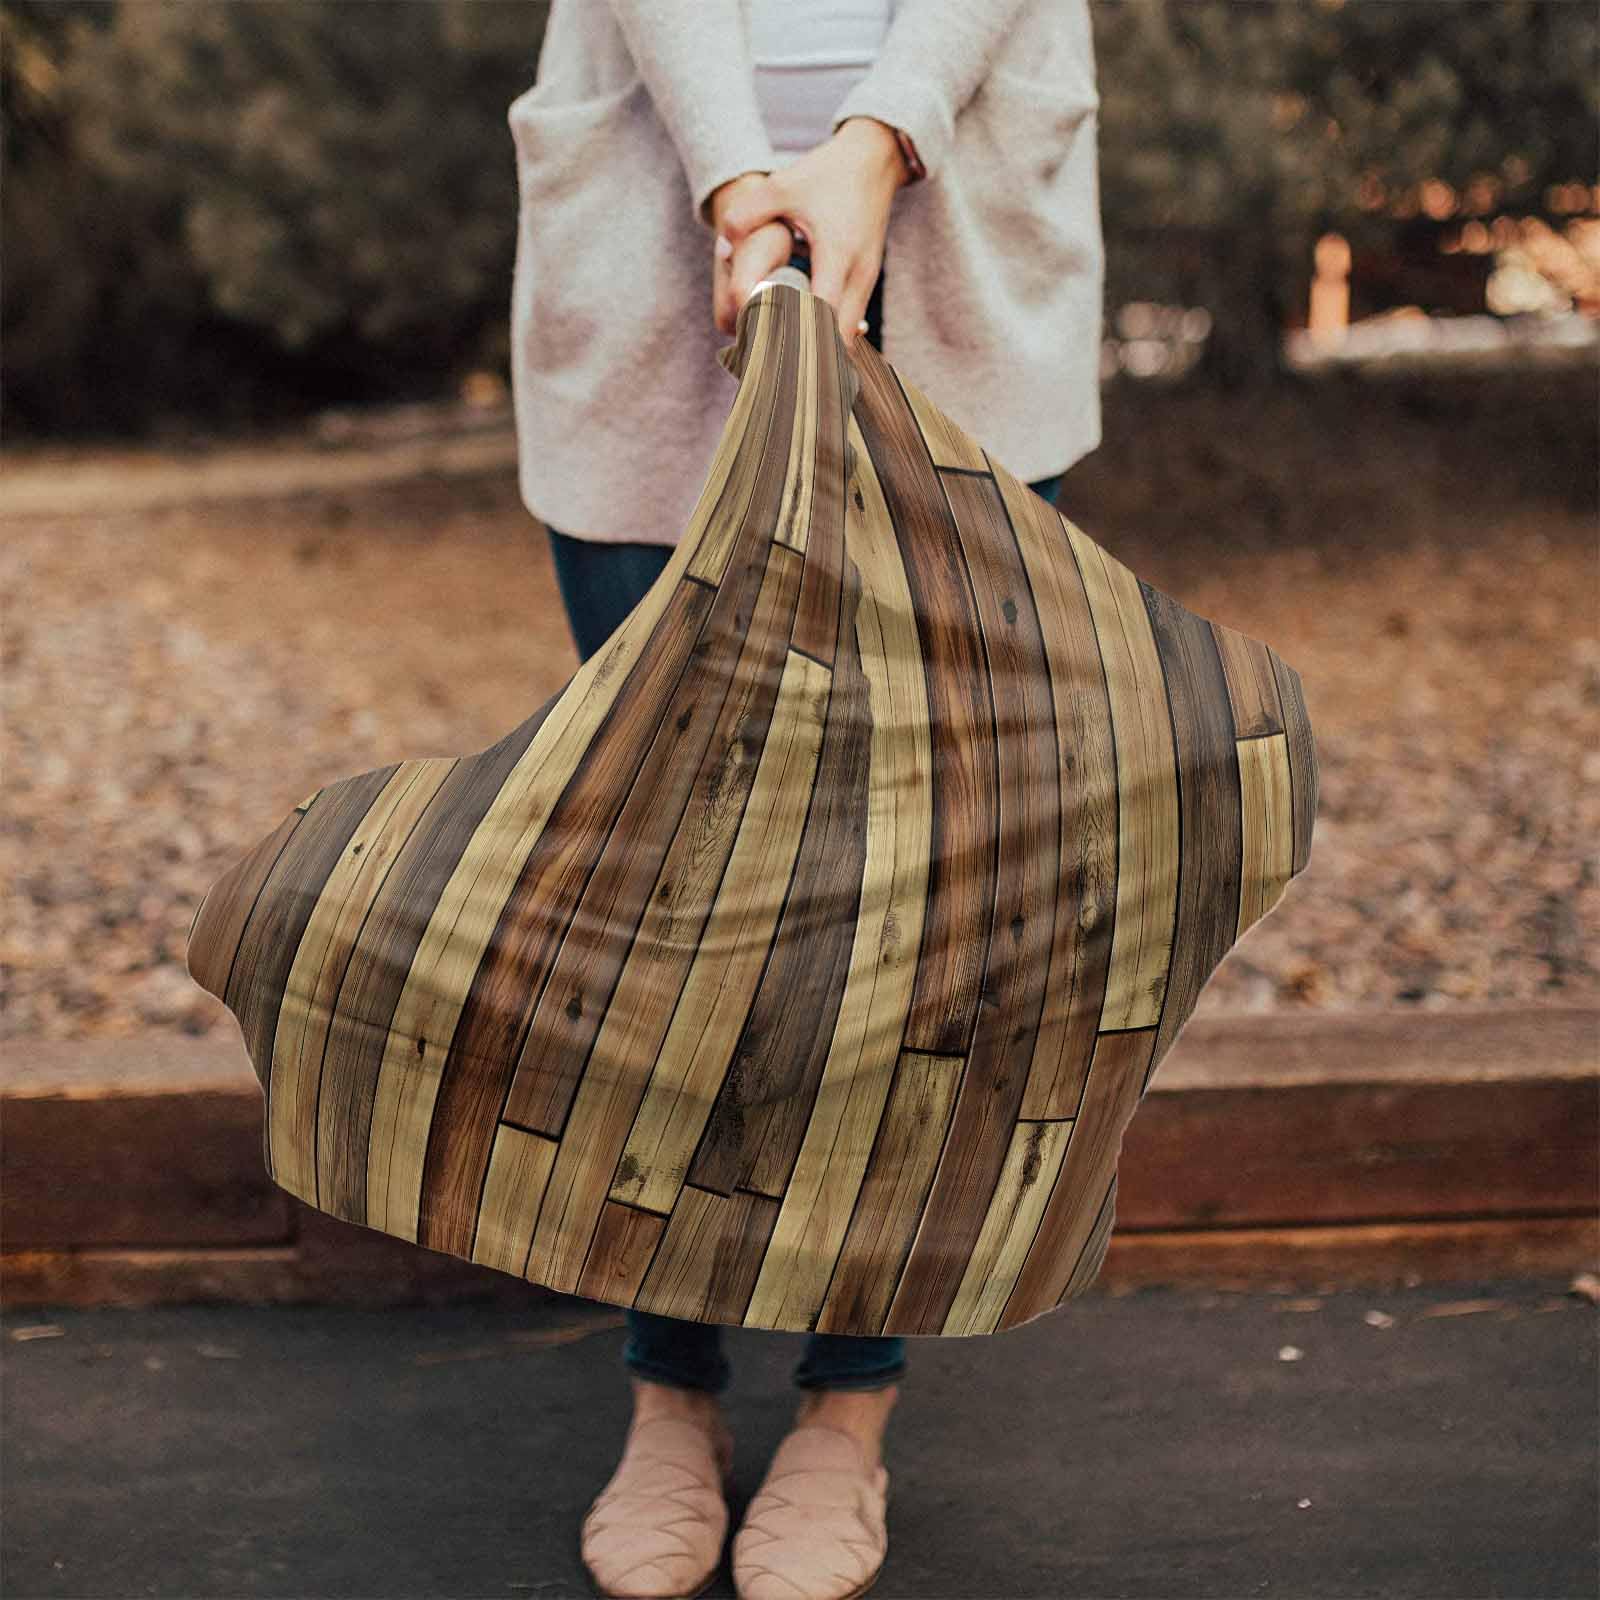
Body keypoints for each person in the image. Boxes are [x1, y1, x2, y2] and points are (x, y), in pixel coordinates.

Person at [506, 4, 1104, 1596]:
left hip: (961, 231)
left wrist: (880, 140)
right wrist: (735, 178)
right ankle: (671, 1386)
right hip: (655, 223)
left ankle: (849, 1405)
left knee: (914, 890)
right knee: (666, 883)